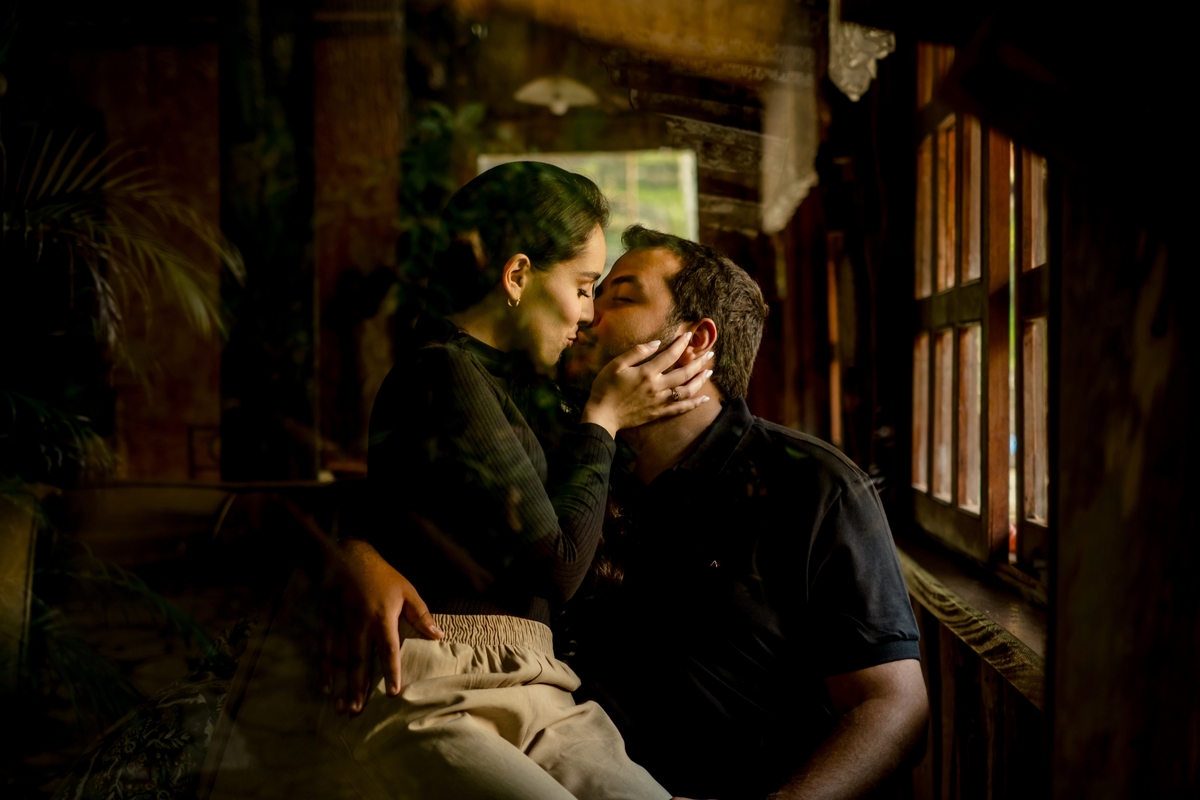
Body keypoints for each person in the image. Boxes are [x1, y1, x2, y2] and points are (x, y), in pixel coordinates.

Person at [330, 224, 928, 800]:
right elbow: (405, 501)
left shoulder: (811, 484)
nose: (587, 313)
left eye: (619, 297)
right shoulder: (564, 455)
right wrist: (357, 555)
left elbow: (892, 705)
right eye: (589, 291)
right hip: (534, 761)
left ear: (694, 341)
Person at [325, 165, 712, 800]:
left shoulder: (520, 387)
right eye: (584, 287)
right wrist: (604, 419)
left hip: (537, 682)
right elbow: (557, 567)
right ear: (517, 275)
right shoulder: (442, 372)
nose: (588, 313)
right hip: (437, 682)